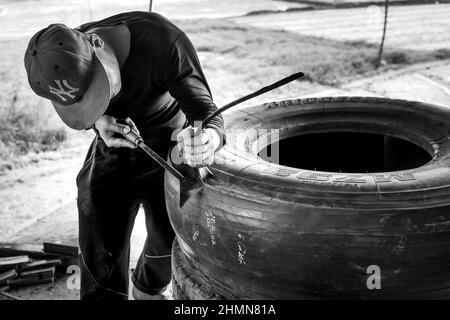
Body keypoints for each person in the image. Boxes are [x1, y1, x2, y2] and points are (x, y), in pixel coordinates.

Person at [24, 11, 225, 300]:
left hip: (171, 149)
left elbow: (205, 113)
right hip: (113, 146)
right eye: (88, 100)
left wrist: (207, 139)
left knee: (171, 236)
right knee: (97, 229)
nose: (98, 101)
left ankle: (147, 289)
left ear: (97, 44)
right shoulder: (63, 56)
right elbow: (85, 109)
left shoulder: (163, 42)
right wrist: (98, 122)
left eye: (98, 91)